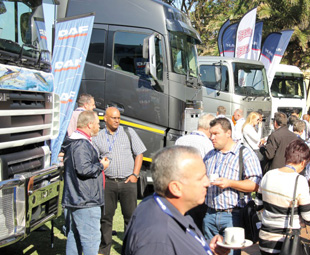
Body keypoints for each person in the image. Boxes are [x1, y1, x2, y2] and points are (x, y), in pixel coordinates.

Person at [122, 146, 230, 255]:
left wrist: (205, 246)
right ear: (176, 188)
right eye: (200, 178)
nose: (207, 183)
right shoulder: (158, 239)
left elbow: (178, 244)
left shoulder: (160, 205)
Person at [202, 118, 262, 255]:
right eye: (211, 134)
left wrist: (230, 183)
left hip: (233, 216)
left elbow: (256, 184)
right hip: (210, 214)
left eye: (216, 133)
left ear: (228, 133)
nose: (212, 137)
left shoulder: (244, 154)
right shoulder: (210, 155)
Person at [93, 107, 146, 255]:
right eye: (113, 118)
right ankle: (104, 249)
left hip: (127, 182)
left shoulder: (128, 132)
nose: (117, 120)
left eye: (118, 118)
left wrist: (135, 175)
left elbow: (139, 153)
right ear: (106, 119)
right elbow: (94, 158)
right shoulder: (98, 136)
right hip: (108, 182)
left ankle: (130, 248)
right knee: (106, 218)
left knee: (130, 217)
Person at [62, 111, 110, 255]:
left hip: (78, 198)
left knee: (75, 237)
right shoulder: (81, 144)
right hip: (85, 200)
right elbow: (83, 169)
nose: (99, 126)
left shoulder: (75, 142)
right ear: (89, 124)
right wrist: (102, 166)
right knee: (90, 240)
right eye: (97, 124)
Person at [255, 139, 310, 255]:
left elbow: (258, 205)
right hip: (287, 242)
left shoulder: (268, 175)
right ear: (303, 162)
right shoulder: (300, 180)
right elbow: (307, 215)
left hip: (265, 238)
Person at [175, 113, 215, 231]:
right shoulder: (208, 144)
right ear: (209, 128)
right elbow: (209, 168)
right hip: (197, 190)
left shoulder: (180, 140)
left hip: (180, 188)